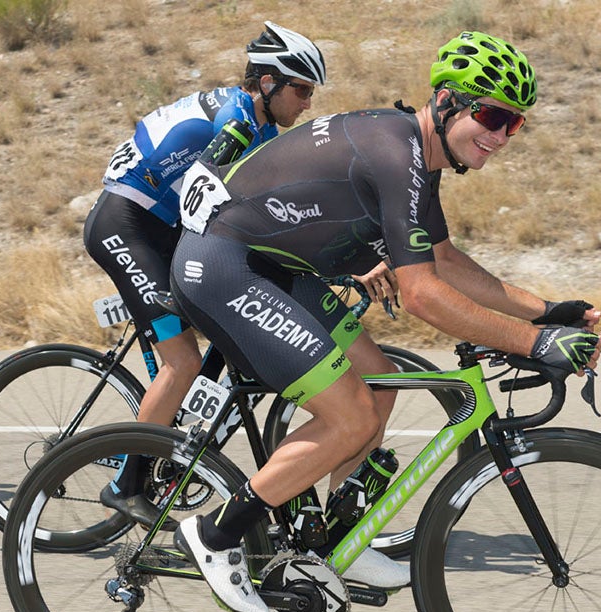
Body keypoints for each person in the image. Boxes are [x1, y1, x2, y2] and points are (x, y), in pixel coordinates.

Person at [168, 30, 601, 612]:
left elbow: (444, 261)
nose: (501, 136)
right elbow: (423, 295)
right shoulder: (398, 154)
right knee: (350, 415)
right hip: (222, 266)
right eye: (493, 115)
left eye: (515, 125)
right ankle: (217, 534)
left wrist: (544, 312)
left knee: (379, 377)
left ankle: (328, 543)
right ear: (447, 101)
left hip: (270, 266)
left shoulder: (418, 159)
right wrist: (535, 343)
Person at [85, 22, 395, 532]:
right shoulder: (235, 125)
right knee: (181, 360)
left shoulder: (258, 125)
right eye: (301, 90)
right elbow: (209, 210)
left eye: (311, 93)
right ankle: (126, 485)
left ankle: (189, 430)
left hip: (160, 226)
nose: (307, 103)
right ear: (268, 83)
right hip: (127, 224)